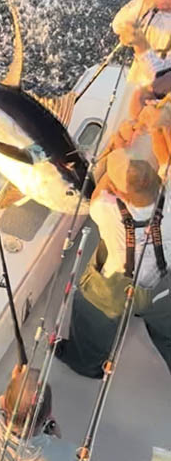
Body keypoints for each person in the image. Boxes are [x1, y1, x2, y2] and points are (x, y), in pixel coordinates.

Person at [57, 129, 171, 378]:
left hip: (113, 290)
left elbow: (98, 187)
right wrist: (157, 123)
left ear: (119, 193)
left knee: (90, 322)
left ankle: (86, 364)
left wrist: (115, 147)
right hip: (163, 287)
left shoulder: (105, 208)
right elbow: (167, 156)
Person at [112, 0, 171, 117]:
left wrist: (140, 45)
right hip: (133, 97)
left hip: (160, 114)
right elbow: (117, 24)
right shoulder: (147, 2)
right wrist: (149, 2)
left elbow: (158, 82)